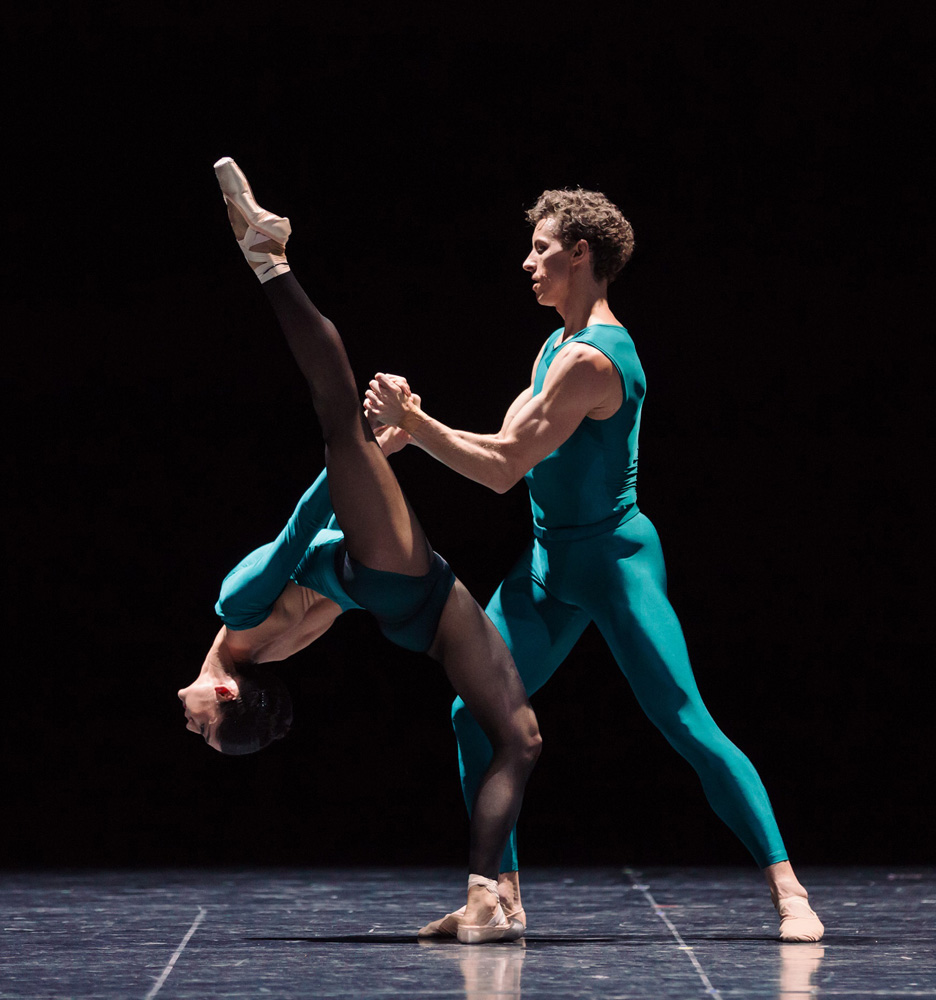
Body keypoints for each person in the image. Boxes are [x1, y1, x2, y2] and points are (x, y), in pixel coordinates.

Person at [364, 188, 825, 943]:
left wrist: (416, 426)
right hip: (550, 565)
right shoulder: (554, 344)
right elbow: (501, 443)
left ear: (582, 254)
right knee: (473, 713)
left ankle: (789, 891)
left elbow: (504, 468)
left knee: (685, 722)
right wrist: (419, 430)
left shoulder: (590, 358)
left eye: (542, 248)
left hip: (614, 564)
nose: (528, 260)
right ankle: (500, 900)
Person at [177, 158, 542, 944]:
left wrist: (375, 456)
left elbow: (308, 535)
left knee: (521, 736)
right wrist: (374, 449)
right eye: (205, 729)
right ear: (230, 696)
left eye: (201, 731)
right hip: (397, 581)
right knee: (337, 416)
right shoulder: (242, 625)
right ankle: (269, 258)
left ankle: (491, 899)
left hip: (418, 601)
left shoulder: (251, 622)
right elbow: (308, 527)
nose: (192, 724)